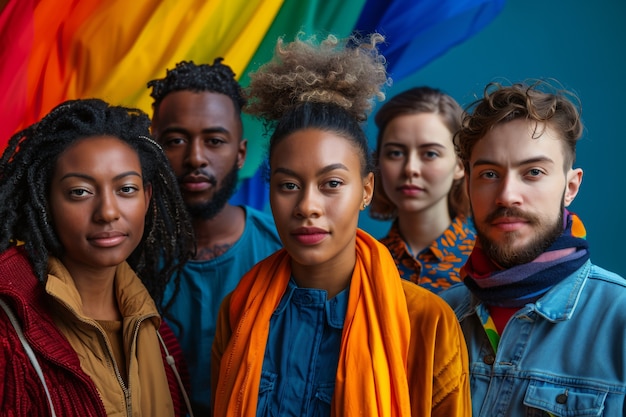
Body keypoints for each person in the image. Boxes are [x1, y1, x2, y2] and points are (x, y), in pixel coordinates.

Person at [211, 33, 471, 417]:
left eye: (331, 184)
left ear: (367, 189)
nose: (307, 206)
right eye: (288, 185)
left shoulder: (427, 323)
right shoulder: (239, 310)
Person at [440, 80, 626, 416]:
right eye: (489, 174)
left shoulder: (619, 319)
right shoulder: (439, 318)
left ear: (570, 187)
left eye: (534, 172)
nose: (508, 195)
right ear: (467, 185)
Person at [0, 98, 195, 416]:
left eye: (126, 189)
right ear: (44, 201)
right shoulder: (8, 336)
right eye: (80, 192)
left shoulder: (160, 338)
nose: (107, 212)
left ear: (147, 198)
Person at [148, 58, 283, 415]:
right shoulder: (122, 257)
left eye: (214, 140)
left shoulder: (286, 253)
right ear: (152, 149)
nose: (195, 158)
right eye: (175, 140)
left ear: (240, 154)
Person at [370, 86, 475, 293]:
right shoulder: (362, 264)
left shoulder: (486, 264)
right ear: (378, 162)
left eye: (430, 154)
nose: (410, 168)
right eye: (395, 153)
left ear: (460, 165)